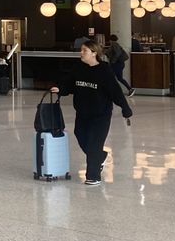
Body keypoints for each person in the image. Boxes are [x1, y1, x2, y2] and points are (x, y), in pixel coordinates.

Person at [50, 40, 133, 186]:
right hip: (83, 113)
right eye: (81, 50)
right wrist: (61, 89)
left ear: (94, 53)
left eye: (84, 51)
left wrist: (125, 109)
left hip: (101, 115)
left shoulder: (104, 70)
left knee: (94, 144)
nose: (81, 53)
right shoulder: (78, 68)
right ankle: (100, 156)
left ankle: (93, 176)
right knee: (80, 136)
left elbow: (115, 92)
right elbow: (70, 83)